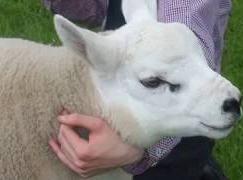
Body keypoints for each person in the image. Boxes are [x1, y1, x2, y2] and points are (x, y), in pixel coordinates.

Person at [43, 0, 232, 179]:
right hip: (118, 99)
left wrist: (136, 150)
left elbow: (179, 45)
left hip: (180, 126)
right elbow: (98, 9)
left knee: (178, 164)